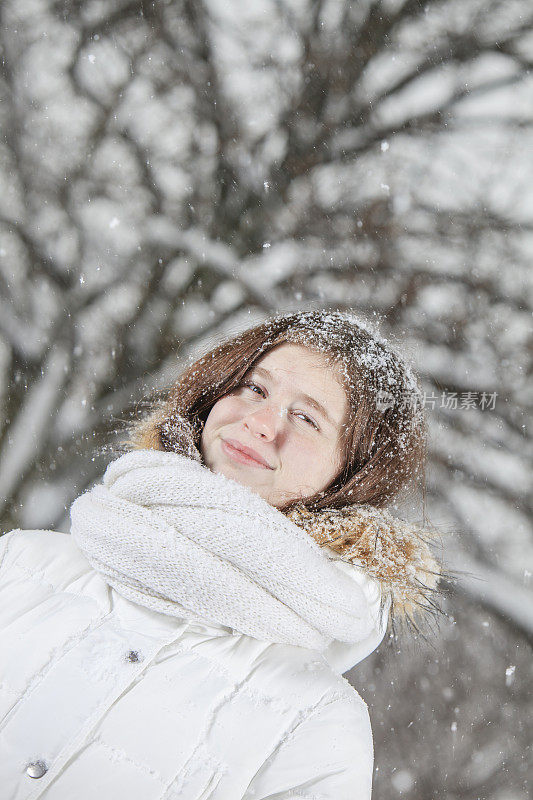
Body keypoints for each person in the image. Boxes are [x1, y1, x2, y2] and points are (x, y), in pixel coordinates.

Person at [0, 309, 440, 799]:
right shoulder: (19, 565)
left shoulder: (316, 726)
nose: (261, 424)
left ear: (353, 476)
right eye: (255, 388)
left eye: (307, 417)